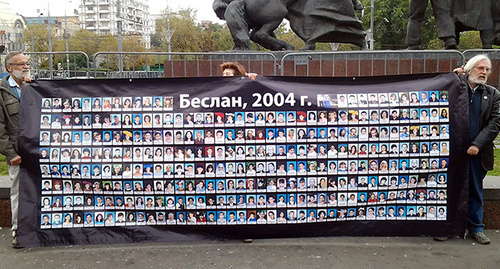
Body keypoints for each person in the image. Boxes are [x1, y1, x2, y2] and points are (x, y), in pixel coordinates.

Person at [444, 54, 500, 244]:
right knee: (450, 188)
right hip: (454, 151)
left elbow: (495, 123)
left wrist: (477, 144)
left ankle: (476, 228)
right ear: (469, 69)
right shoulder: (456, 88)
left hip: (478, 152)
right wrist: (453, 78)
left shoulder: (493, 94)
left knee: (475, 191)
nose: (484, 72)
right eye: (480, 68)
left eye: (487, 69)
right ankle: (449, 227)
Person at [0, 51, 32, 247]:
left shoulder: (33, 86)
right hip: (18, 153)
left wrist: (32, 87)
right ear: (9, 68)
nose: (25, 67)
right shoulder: (2, 92)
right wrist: (11, 154)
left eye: (27, 63)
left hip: (37, 151)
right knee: (18, 192)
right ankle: (18, 230)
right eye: (21, 64)